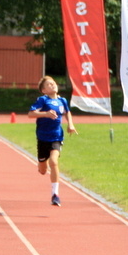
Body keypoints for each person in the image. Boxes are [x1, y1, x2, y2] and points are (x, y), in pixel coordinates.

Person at [28, 76, 78, 206]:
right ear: (44, 90)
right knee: (43, 170)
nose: (53, 85)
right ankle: (41, 162)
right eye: (49, 84)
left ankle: (55, 194)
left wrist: (70, 124)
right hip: (42, 137)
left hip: (57, 137)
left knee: (54, 161)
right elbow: (31, 114)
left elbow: (67, 112)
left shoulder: (62, 100)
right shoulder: (43, 100)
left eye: (53, 83)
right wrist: (45, 114)